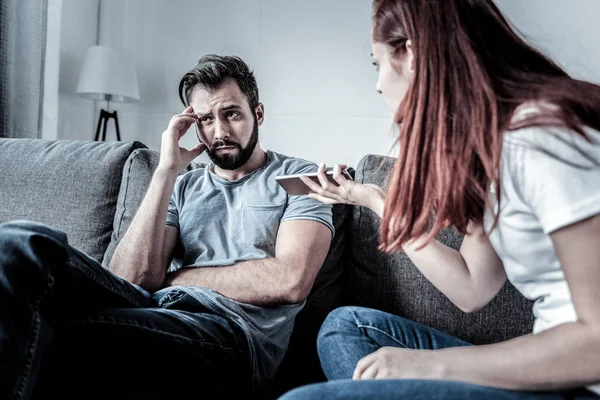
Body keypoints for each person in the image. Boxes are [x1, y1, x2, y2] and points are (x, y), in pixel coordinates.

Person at [279, 0, 600, 399]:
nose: (378, 84)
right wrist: (376, 201)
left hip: (581, 384)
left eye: (376, 64)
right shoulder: (495, 151)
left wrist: (427, 365)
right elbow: (471, 288)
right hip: (553, 371)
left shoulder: (541, 137)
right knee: (347, 327)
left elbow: (596, 344)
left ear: (411, 54)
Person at [0, 54, 334, 399]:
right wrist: (166, 171)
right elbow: (129, 279)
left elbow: (290, 280)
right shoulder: (184, 186)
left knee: (60, 330)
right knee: (20, 243)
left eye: (231, 114)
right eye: (205, 119)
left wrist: (174, 277)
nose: (219, 132)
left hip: (230, 334)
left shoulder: (299, 179)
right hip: (152, 307)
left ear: (258, 113)